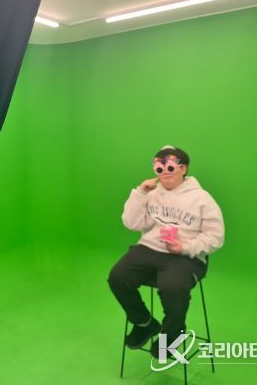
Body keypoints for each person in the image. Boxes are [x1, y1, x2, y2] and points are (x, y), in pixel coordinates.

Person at [108, 145, 224, 358]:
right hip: (150, 248)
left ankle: (172, 334)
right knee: (118, 277)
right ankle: (144, 323)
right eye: (159, 169)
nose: (165, 173)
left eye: (170, 167)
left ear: (183, 169)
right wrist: (140, 193)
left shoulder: (202, 199)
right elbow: (131, 223)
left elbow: (215, 237)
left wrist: (185, 247)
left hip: (186, 256)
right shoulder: (151, 193)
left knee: (173, 287)